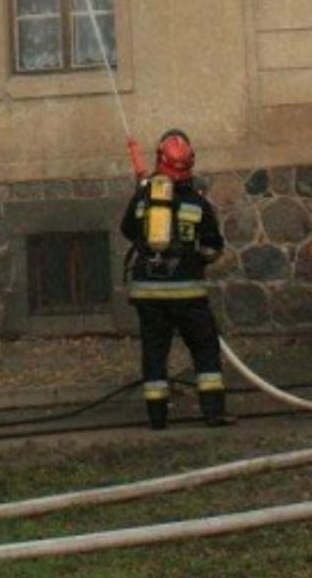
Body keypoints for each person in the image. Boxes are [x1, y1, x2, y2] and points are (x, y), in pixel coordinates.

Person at [120, 128, 229, 429]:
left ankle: (157, 418)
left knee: (155, 352)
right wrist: (196, 259)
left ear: (160, 160)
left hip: (148, 293)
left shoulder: (144, 196)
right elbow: (213, 247)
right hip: (188, 294)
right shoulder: (197, 203)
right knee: (205, 349)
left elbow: (127, 229)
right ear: (190, 163)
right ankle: (213, 413)